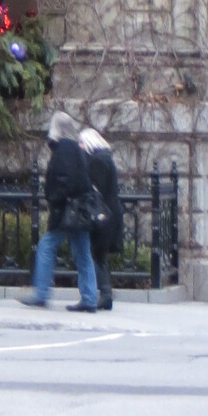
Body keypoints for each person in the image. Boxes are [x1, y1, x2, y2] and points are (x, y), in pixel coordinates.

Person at [24, 110, 98, 311]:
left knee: (46, 246)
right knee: (83, 253)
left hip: (66, 211)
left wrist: (54, 197)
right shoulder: (77, 148)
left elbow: (65, 180)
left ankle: (41, 293)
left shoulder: (63, 149)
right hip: (80, 210)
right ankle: (90, 299)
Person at [81, 124, 123, 313]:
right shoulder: (105, 157)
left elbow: (95, 189)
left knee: (95, 254)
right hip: (110, 211)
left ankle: (105, 294)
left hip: (103, 213)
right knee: (99, 255)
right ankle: (106, 294)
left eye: (81, 143)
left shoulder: (97, 161)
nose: (80, 146)